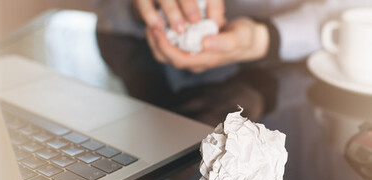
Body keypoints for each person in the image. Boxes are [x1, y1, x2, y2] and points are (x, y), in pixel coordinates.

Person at [93, 0, 372, 126]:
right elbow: (109, 14)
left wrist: (265, 38)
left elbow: (357, 14)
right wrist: (143, 9)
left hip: (306, 95)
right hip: (167, 87)